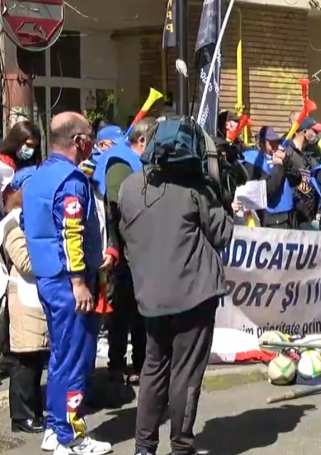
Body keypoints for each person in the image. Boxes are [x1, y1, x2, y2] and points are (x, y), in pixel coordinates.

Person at [119, 117, 234, 455]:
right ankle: (181, 446)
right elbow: (223, 235)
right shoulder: (195, 189)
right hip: (194, 295)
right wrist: (220, 194)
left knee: (153, 369)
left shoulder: (129, 187)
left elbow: (128, 237)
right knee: (185, 374)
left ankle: (144, 447)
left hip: (150, 296)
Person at [21, 112, 112, 454]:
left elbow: (31, 224)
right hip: (68, 282)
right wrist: (79, 282)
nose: (92, 141)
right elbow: (71, 233)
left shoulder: (37, 177)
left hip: (47, 279)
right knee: (75, 358)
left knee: (60, 356)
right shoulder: (71, 181)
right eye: (89, 135)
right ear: (78, 141)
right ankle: (70, 436)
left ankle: (55, 427)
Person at [92, 118, 154, 386]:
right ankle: (118, 365)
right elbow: (117, 207)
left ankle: (141, 362)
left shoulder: (135, 162)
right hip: (127, 252)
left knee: (140, 312)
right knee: (123, 313)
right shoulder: (120, 163)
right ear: (142, 141)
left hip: (140, 249)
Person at [2, 168, 47, 435]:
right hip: (24, 299)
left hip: (36, 299)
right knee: (25, 361)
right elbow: (26, 262)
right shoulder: (12, 223)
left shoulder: (34, 220)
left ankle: (34, 411)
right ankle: (22, 416)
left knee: (37, 358)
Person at [237, 126, 294, 228]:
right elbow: (268, 190)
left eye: (276, 141)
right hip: (271, 218)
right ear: (262, 143)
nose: (275, 145)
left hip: (287, 214)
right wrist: (278, 166)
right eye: (271, 142)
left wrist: (287, 161)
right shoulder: (252, 160)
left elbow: (296, 179)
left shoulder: (281, 155)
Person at [285, 117, 321, 228]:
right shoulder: (287, 152)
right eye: (315, 131)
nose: (317, 134)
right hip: (295, 214)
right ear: (305, 132)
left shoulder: (314, 152)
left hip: (312, 212)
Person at [0, 121, 42, 204]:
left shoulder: (29, 165)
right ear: (16, 141)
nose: (31, 150)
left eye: (34, 147)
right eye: (28, 145)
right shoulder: (3, 164)